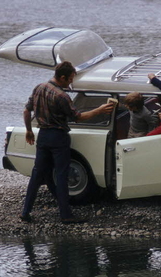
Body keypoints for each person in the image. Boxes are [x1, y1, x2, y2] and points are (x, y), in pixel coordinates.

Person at [21, 61, 116, 224]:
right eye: (70, 78)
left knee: (37, 174)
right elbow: (78, 117)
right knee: (62, 175)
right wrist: (100, 110)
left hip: (43, 135)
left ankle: (25, 212)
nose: (72, 82)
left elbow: (26, 110)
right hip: (58, 137)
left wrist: (29, 130)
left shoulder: (39, 87)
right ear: (62, 77)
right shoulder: (61, 96)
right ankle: (65, 215)